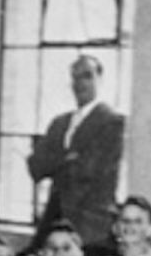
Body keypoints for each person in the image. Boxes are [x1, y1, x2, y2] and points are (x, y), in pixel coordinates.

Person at [25, 55, 125, 244]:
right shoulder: (59, 123)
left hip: (91, 220)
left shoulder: (112, 122)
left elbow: (90, 170)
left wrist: (55, 161)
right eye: (75, 77)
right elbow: (36, 167)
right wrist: (69, 158)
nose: (80, 83)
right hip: (54, 214)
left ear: (100, 79)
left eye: (87, 76)